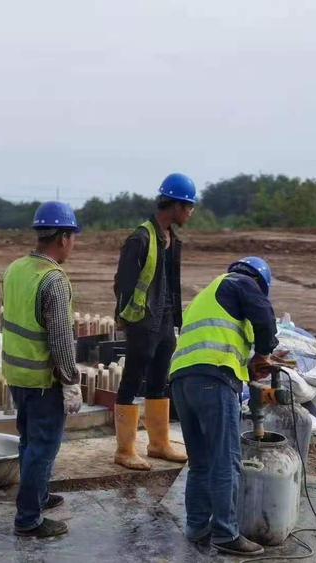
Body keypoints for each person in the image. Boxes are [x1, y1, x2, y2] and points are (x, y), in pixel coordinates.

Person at [169, 257, 278, 557]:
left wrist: (246, 363)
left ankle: (197, 527)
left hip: (181, 381)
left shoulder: (209, 296)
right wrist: (264, 353)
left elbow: (215, 339)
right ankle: (226, 533)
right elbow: (265, 316)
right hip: (213, 380)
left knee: (200, 461)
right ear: (260, 282)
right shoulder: (241, 282)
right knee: (225, 459)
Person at [2, 201, 84, 538]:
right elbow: (62, 340)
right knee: (43, 447)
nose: (73, 243)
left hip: (16, 374)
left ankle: (36, 495)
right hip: (42, 379)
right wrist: (70, 381)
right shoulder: (53, 280)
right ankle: (29, 518)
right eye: (73, 236)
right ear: (63, 237)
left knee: (28, 441)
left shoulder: (16, 268)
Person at [112, 173, 195, 470]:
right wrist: (130, 319)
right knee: (132, 381)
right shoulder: (141, 237)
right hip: (143, 322)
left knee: (160, 380)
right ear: (173, 205)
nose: (190, 212)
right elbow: (123, 282)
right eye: (188, 206)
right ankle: (124, 450)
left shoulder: (172, 239)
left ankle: (159, 444)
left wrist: (174, 320)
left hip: (164, 320)